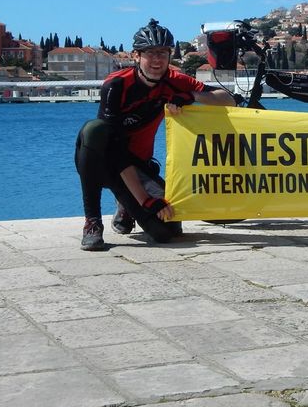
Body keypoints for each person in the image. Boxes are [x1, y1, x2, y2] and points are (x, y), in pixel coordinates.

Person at [75, 18, 236, 250]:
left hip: (138, 167)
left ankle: (125, 203)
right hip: (104, 161)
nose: (157, 59)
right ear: (136, 56)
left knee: (167, 230)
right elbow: (116, 148)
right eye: (150, 53)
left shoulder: (174, 81)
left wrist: (191, 97)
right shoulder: (117, 85)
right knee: (94, 130)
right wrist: (145, 199)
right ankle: (92, 223)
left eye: (163, 52)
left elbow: (228, 99)